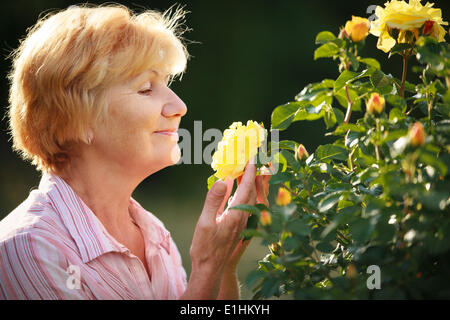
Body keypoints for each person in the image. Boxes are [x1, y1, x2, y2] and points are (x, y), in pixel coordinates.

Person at [0, 4, 269, 299]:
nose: (179, 107)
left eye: (166, 84)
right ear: (76, 121)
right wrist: (206, 267)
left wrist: (223, 268)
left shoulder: (154, 236)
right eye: (145, 88)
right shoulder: (30, 248)